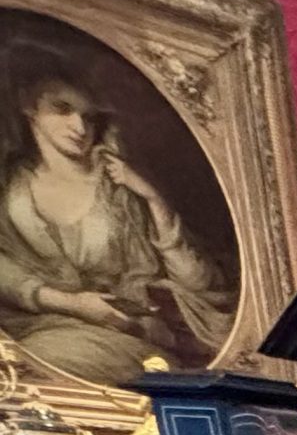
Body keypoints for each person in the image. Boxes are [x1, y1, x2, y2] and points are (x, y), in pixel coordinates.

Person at [0, 54, 233, 387]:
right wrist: (73, 304)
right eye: (63, 109)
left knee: (38, 366)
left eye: (89, 117)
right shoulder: (11, 185)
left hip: (126, 339)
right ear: (29, 106)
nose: (79, 128)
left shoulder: (120, 190)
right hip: (35, 329)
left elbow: (197, 282)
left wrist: (153, 200)